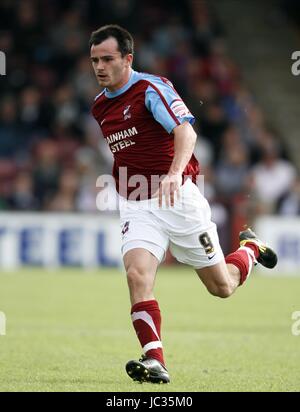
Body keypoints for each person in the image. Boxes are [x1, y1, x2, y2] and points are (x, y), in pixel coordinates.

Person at [89, 24, 277, 384]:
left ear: (128, 59)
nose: (100, 66)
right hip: (136, 203)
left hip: (178, 199)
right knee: (136, 275)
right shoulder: (99, 106)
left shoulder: (151, 89)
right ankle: (155, 359)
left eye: (108, 59)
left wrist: (175, 173)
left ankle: (250, 249)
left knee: (221, 286)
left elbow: (185, 131)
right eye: (95, 60)